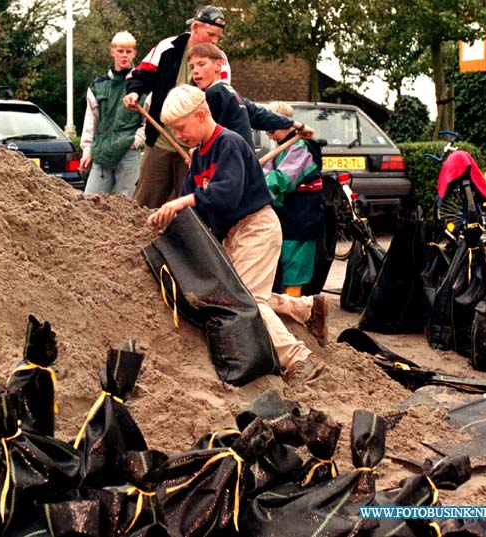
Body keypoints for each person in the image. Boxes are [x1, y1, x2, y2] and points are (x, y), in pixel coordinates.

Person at [147, 84, 329, 386]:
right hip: (234, 233)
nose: (178, 136)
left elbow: (226, 195)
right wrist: (168, 213)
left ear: (202, 114)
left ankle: (300, 359)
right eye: (174, 131)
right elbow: (190, 202)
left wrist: (183, 200)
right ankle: (309, 308)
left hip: (257, 227)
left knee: (247, 302)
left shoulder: (229, 144)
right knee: (235, 291)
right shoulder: (199, 154)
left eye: (181, 128)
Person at [122, 5, 229, 208]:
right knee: (142, 204)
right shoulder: (167, 47)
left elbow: (220, 103)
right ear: (196, 27)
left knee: (190, 211)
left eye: (218, 37)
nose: (215, 41)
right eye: (211, 34)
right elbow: (142, 74)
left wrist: (202, 151)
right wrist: (134, 92)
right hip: (161, 141)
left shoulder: (219, 60)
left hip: (194, 150)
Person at [186, 43, 314, 149]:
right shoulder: (231, 93)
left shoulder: (214, 93)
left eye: (201, 64)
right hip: (245, 164)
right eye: (192, 67)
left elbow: (206, 134)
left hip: (231, 163)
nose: (196, 71)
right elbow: (260, 115)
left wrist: (196, 151)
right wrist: (298, 125)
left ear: (218, 66)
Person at [262, 101, 325, 297]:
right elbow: (266, 173)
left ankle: (294, 311)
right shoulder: (281, 148)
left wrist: (253, 182)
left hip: (302, 219)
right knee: (283, 265)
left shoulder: (301, 148)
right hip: (287, 217)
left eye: (271, 127)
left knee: (294, 268)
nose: (268, 133)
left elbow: (281, 180)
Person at [79, 31, 147, 197]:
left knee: (128, 206)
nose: (124, 55)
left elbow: (149, 120)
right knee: (90, 203)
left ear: (134, 54)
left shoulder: (141, 85)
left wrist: (136, 141)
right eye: (120, 51)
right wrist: (87, 151)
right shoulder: (98, 85)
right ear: (112, 52)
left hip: (128, 152)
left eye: (128, 51)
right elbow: (91, 121)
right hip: (102, 153)